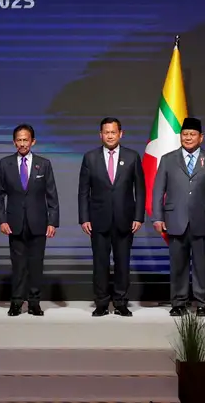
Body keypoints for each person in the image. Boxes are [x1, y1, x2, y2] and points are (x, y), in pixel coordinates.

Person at [151, 117, 205, 317]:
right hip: (175, 220)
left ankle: (202, 303)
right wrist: (157, 217)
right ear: (180, 136)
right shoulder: (168, 159)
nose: (188, 138)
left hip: (204, 221)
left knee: (203, 265)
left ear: (201, 137)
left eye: (192, 134)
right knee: (178, 265)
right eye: (185, 134)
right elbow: (158, 191)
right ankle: (178, 302)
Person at [78, 117, 144, 317]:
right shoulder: (90, 157)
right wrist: (84, 218)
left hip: (125, 220)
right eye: (106, 132)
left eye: (113, 132)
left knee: (123, 263)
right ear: (100, 135)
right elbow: (83, 191)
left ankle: (121, 302)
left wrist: (138, 217)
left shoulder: (132, 157)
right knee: (100, 264)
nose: (110, 136)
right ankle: (101, 303)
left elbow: (140, 190)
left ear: (120, 134)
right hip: (98, 220)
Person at [0, 124, 58, 316]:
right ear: (14, 142)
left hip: (39, 222)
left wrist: (52, 221)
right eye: (19, 140)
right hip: (14, 223)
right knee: (18, 265)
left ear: (33, 141)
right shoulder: (5, 163)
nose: (22, 144)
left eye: (26, 140)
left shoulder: (44, 164)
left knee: (36, 264)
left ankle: (34, 303)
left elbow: (52, 195)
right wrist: (2, 220)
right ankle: (16, 302)